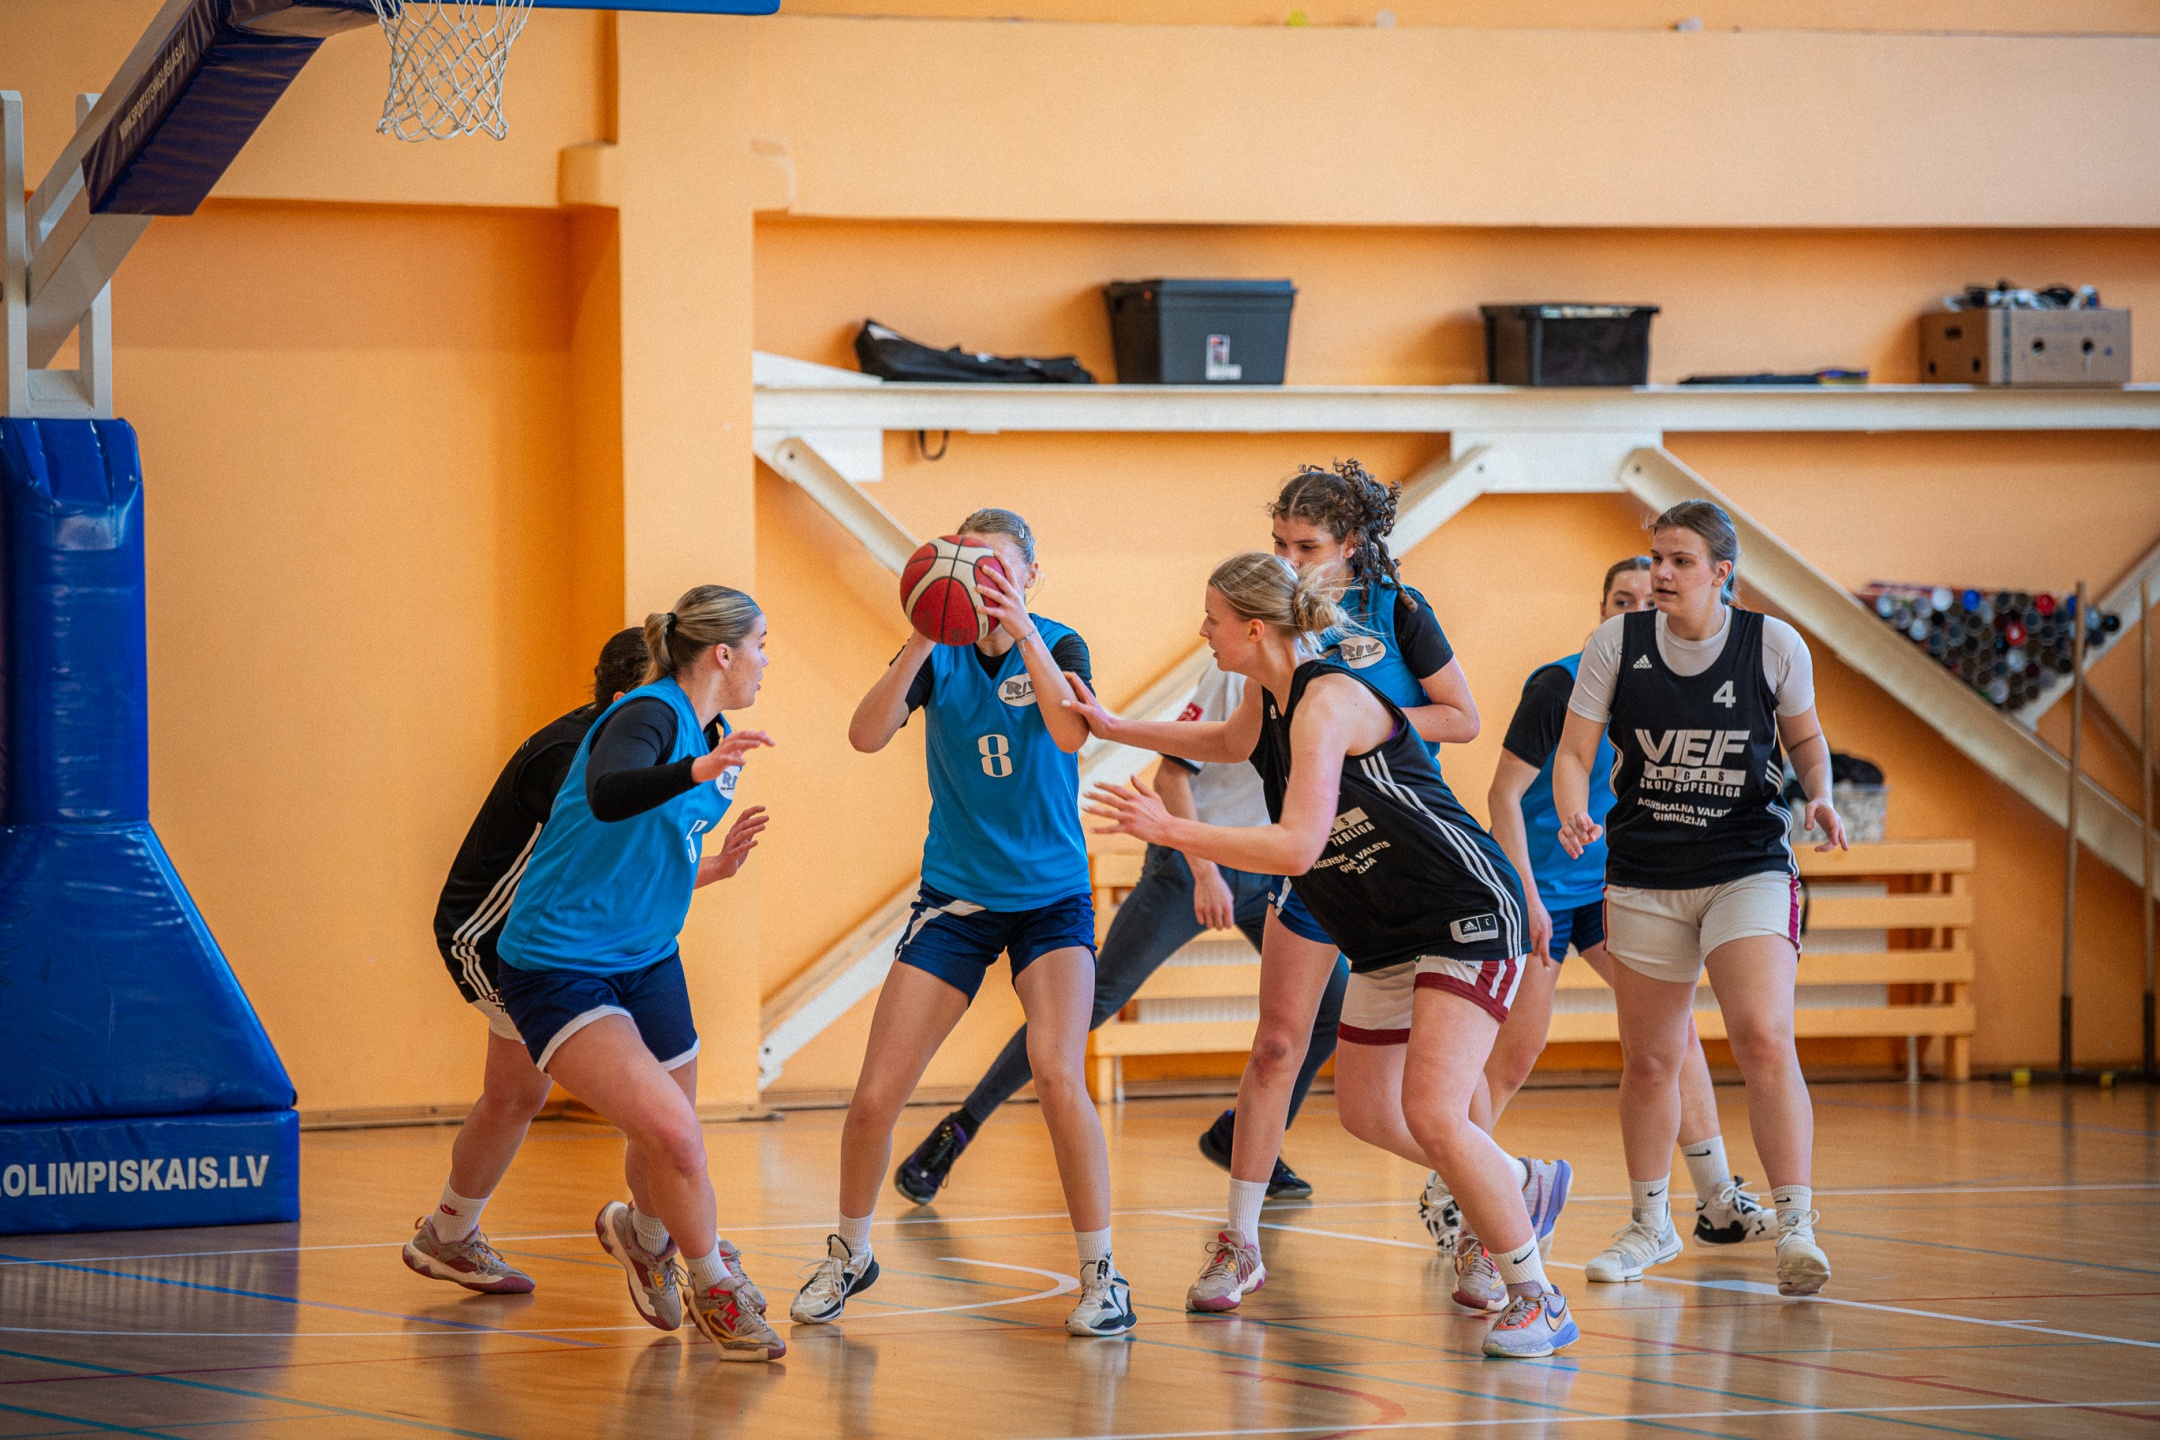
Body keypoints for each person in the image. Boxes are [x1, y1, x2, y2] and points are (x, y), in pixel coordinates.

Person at [1077, 553, 1578, 1359]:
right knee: (1367, 1112)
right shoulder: (1266, 696)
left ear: (1252, 628)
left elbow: (1298, 846)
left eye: (1211, 618)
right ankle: (1517, 1181)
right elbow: (1225, 741)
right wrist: (1113, 726)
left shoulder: (1327, 702)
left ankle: (1538, 1298)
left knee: (1433, 1111)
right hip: (1384, 927)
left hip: (1462, 910)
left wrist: (1172, 831)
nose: (1202, 630)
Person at [793, 508, 1136, 1338]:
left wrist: (1025, 634)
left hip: (1051, 899)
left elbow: (1069, 733)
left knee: (1057, 1072)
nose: (980, 584)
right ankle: (849, 1252)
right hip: (956, 900)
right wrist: (920, 634)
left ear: (1029, 578)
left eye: (997, 571)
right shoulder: (937, 652)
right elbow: (865, 735)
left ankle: (1103, 1275)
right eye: (966, 566)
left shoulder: (1062, 644)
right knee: (876, 1094)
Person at [1420, 557, 1774, 1280]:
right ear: (1602, 610)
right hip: (1538, 888)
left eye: (1649, 600)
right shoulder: (1561, 684)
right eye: (1621, 600)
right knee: (1513, 1054)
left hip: (1615, 889)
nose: (1637, 611)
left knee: (1674, 1032)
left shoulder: (1679, 685)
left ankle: (1716, 1200)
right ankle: (1453, 1185)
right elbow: (1503, 796)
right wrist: (1525, 894)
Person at [890, 659, 1348, 1209]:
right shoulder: (1232, 677)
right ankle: (960, 1127)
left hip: (1270, 863)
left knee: (1331, 1010)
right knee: (1091, 1002)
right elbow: (1170, 777)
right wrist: (1205, 872)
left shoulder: (1328, 676)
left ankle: (1244, 1138)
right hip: (1194, 866)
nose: (1206, 630)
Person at [1552, 501, 1843, 1298]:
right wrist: (1574, 806)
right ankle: (1650, 1224)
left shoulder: (1772, 643)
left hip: (1747, 864)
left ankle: (1796, 1226)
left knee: (1762, 1034)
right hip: (1645, 871)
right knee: (1651, 1059)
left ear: (1722, 572)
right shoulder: (1616, 644)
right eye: (1656, 558)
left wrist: (1819, 793)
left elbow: (1806, 738)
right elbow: (1574, 752)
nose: (1661, 573)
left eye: (1680, 560)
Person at [492, 585, 785, 1361]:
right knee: (677, 1137)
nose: (765, 660)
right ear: (721, 653)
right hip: (560, 963)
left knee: (669, 1138)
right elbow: (608, 793)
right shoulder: (649, 715)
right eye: (760, 644)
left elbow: (641, 851)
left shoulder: (712, 735)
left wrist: (713, 867)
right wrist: (695, 769)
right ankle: (713, 1287)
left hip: (648, 957)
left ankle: (644, 1236)